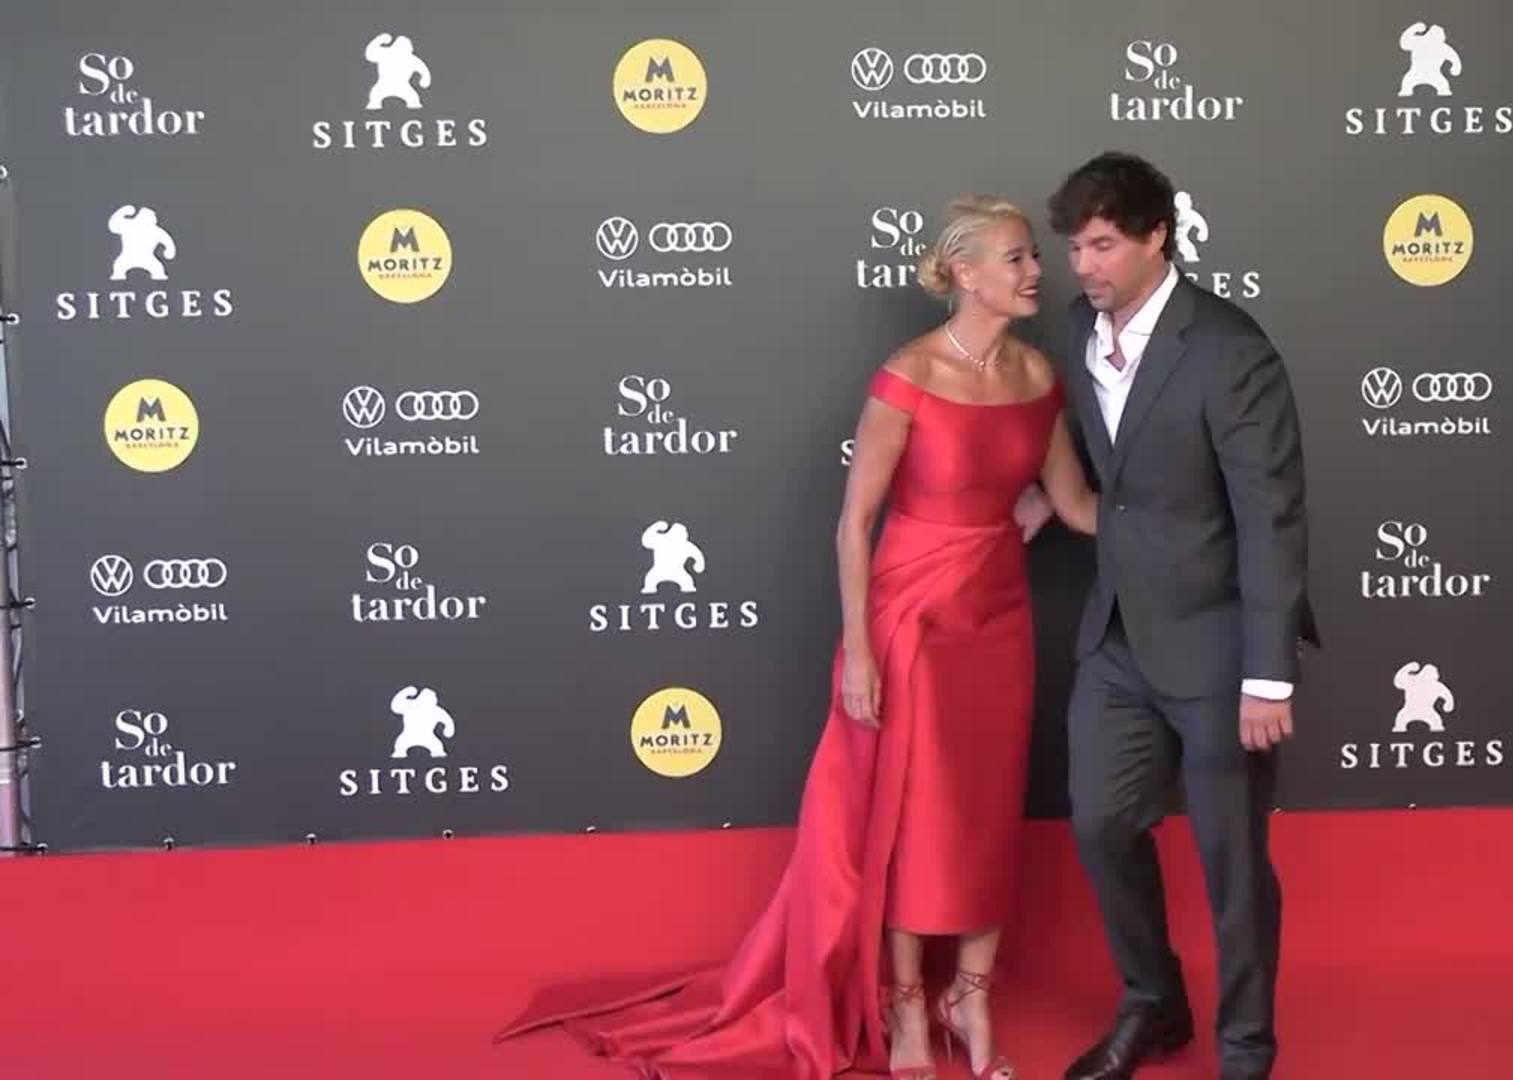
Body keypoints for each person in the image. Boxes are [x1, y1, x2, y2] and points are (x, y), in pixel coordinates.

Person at [495, 196, 1096, 1080]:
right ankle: (906, 1007)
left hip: (998, 622)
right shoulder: (908, 375)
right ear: (966, 274)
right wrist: (860, 650)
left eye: (1034, 254)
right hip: (910, 621)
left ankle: (970, 997)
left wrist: (1179, 513)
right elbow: (855, 524)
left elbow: (1074, 505)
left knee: (986, 808)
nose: (1036, 270)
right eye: (1017, 257)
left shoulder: (1039, 377)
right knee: (912, 816)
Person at [1041, 152, 1318, 1080]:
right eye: (1075, 247)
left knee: (1231, 863)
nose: (1084, 265)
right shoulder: (1077, 329)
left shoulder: (1231, 351)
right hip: (1117, 637)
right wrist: (1045, 500)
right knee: (1098, 824)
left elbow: (1271, 516)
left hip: (1219, 647)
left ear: (1158, 235)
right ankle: (1154, 1003)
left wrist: (1268, 673)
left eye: (1104, 245)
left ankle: (1245, 1051)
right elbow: (1108, 469)